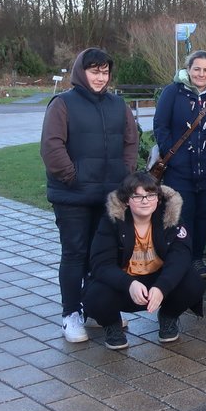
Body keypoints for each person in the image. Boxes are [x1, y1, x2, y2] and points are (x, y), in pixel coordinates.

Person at [41, 48, 139, 343]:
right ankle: (71, 314)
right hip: (72, 196)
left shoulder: (117, 104)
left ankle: (98, 310)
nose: (100, 77)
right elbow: (51, 147)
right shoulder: (63, 104)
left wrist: (125, 174)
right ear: (81, 73)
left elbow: (131, 141)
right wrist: (74, 178)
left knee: (104, 256)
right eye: (94, 71)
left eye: (104, 72)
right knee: (75, 255)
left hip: (109, 196)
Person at [83, 172, 205, 349]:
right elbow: (101, 264)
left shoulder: (170, 217)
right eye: (137, 196)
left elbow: (181, 256)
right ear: (126, 201)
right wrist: (128, 284)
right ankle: (112, 326)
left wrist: (163, 286)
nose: (145, 201)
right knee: (95, 295)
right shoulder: (111, 221)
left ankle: (168, 317)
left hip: (158, 282)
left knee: (194, 283)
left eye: (150, 195)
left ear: (158, 199)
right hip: (124, 285)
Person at [153, 50, 206, 281]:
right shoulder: (173, 92)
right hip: (179, 170)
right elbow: (160, 125)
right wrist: (172, 154)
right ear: (188, 69)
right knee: (182, 215)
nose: (201, 74)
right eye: (197, 69)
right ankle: (178, 259)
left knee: (202, 216)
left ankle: (196, 259)